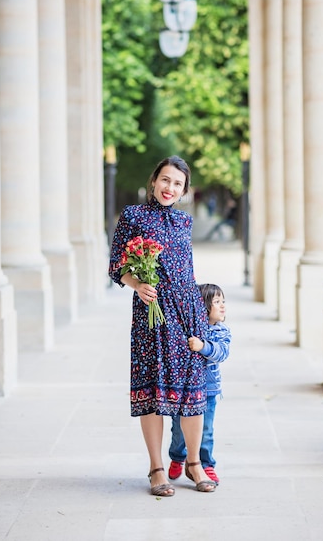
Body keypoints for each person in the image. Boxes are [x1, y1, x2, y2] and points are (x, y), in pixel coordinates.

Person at [108, 156, 217, 497]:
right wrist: (137, 284)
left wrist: (204, 316)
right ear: (154, 180)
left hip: (188, 314)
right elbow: (115, 266)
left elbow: (188, 273)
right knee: (153, 392)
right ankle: (157, 468)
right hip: (151, 313)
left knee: (193, 392)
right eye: (166, 180)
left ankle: (194, 463)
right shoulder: (133, 217)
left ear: (184, 190)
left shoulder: (184, 222)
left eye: (178, 184)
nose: (170, 188)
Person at [168, 283, 231, 485]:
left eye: (223, 301)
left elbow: (221, 353)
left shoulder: (221, 331)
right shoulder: (192, 329)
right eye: (217, 302)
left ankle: (206, 464)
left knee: (206, 430)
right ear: (203, 306)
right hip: (185, 390)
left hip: (209, 391)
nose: (223, 306)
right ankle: (178, 457)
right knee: (179, 430)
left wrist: (203, 346)